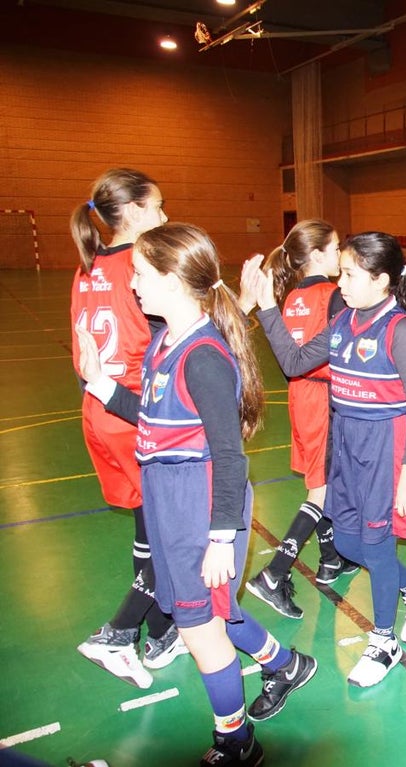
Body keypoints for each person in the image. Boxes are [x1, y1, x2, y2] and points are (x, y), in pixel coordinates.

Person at [76, 223, 316, 766]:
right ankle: (285, 665)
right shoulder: (164, 342)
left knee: (198, 628)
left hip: (199, 504)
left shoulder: (204, 357)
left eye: (140, 274)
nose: (133, 284)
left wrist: (221, 536)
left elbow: (230, 457)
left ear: (171, 279)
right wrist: (101, 383)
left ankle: (237, 743)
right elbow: (155, 418)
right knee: (211, 613)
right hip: (168, 497)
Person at [246, 232, 406, 688]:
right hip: (346, 443)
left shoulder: (398, 330)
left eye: (351, 275)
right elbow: (294, 363)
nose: (342, 282)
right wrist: (268, 308)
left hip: (384, 448)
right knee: (352, 545)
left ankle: (384, 641)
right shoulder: (343, 321)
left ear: (381, 280)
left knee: (377, 544)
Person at [71, 168, 186, 689]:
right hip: (140, 412)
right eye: (157, 206)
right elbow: (175, 337)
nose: (164, 215)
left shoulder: (86, 268)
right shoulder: (142, 267)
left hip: (99, 409)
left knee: (147, 525)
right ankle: (117, 635)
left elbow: (84, 360)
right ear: (135, 211)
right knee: (177, 532)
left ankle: (160, 632)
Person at [242, 220, 358, 621]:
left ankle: (330, 559)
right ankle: (274, 574)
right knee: (320, 491)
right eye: (336, 247)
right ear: (320, 255)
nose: (340, 254)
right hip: (325, 398)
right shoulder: (335, 296)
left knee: (322, 480)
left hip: (301, 397)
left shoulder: (292, 297)